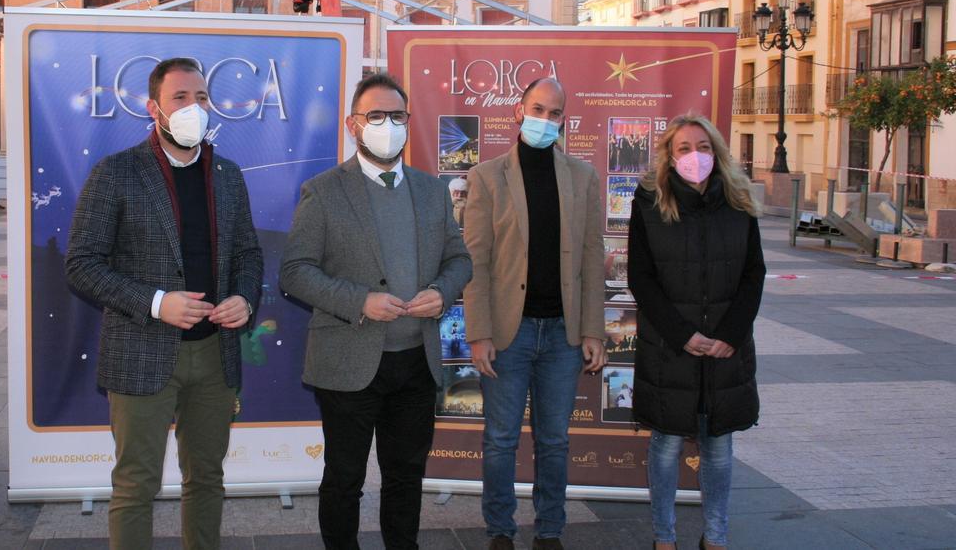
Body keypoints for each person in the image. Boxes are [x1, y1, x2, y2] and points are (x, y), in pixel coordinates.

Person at [65, 57, 263, 550]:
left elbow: (248, 254)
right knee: (136, 484)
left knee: (207, 480)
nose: (193, 107)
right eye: (180, 98)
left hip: (216, 355)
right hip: (141, 352)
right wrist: (156, 303)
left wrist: (243, 296)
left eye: (201, 98)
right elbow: (82, 264)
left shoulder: (228, 175)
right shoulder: (116, 173)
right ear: (154, 108)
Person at [280, 73, 472, 550]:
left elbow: (460, 259)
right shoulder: (323, 191)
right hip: (349, 363)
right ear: (353, 124)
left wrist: (442, 292)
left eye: (398, 116)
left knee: (406, 477)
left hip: (415, 363)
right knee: (344, 479)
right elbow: (295, 271)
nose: (389, 125)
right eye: (376, 116)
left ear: (410, 122)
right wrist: (358, 300)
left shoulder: (432, 190)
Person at [462, 77, 606, 550]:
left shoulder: (584, 177)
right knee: (500, 440)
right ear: (518, 113)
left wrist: (593, 329)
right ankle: (500, 530)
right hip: (509, 333)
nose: (546, 119)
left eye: (555, 113)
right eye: (538, 109)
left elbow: (590, 256)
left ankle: (549, 531)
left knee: (555, 442)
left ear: (565, 119)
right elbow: (475, 262)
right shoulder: (486, 177)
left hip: (563, 335)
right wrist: (479, 332)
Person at [627, 112, 765, 550]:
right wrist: (682, 334)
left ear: (717, 152)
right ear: (669, 155)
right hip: (672, 348)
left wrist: (731, 334)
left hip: (726, 349)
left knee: (719, 448)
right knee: (665, 445)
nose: (694, 156)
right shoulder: (649, 200)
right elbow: (641, 277)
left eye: (703, 148)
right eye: (684, 148)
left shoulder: (740, 200)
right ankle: (664, 539)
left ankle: (716, 537)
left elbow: (753, 274)